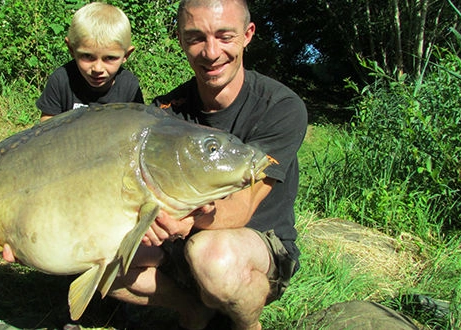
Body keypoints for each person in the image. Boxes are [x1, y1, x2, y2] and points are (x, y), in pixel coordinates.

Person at [107, 0, 308, 329]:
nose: (211, 52)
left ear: (248, 35)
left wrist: (183, 222)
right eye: (196, 37)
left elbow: (241, 207)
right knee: (92, 254)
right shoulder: (165, 113)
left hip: (253, 246)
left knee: (212, 257)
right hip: (176, 246)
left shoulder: (280, 107)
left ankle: (247, 326)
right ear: (181, 41)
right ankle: (191, 311)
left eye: (224, 36)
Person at [35, 2, 144, 121]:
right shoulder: (61, 80)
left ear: (126, 55)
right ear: (71, 49)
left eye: (110, 58)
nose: (98, 68)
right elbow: (47, 124)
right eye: (87, 56)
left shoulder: (129, 86)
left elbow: (136, 125)